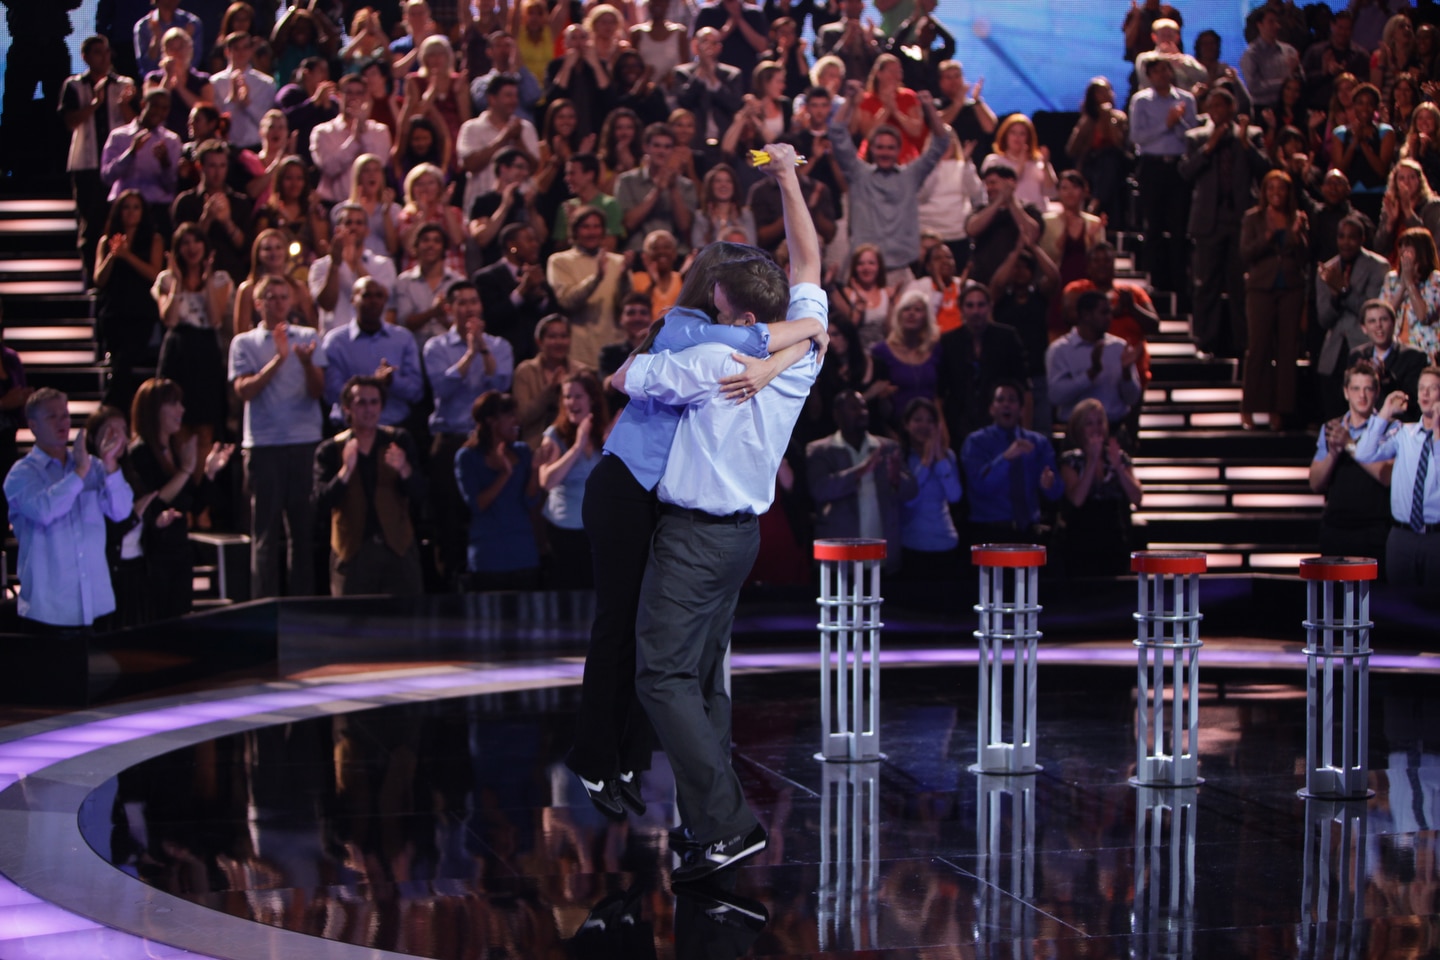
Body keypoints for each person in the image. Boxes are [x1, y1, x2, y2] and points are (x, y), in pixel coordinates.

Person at [565, 183, 826, 827]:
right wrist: (792, 345)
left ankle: (641, 768)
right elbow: (618, 379)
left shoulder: (735, 346)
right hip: (626, 490)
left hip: (666, 505)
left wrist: (776, 355)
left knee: (663, 652)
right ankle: (599, 757)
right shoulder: (693, 334)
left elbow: (810, 284)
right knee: (625, 630)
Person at [228, 274, 327, 598]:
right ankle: (264, 604)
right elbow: (244, 390)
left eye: (284, 296)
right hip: (264, 444)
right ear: (259, 304)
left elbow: (318, 391)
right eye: (271, 297)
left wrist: (306, 362)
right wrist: (278, 360)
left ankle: (302, 607)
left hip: (303, 441)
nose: (279, 302)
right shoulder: (243, 342)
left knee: (301, 531)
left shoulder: (308, 337)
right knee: (265, 534)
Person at [5, 388, 133, 632]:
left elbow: (121, 512)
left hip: (96, 605)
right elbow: (44, 511)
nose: (62, 422)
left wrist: (110, 465)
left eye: (64, 415)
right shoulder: (22, 474)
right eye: (51, 417)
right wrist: (79, 475)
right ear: (32, 425)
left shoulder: (93, 466)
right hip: (49, 611)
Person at [423, 280, 514, 588]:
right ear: (449, 310)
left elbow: (500, 386)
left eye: (474, 301)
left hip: (489, 444)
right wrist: (469, 354)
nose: (469, 308)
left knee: (488, 512)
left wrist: (483, 349)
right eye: (461, 303)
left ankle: (487, 577)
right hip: (450, 440)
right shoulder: (435, 347)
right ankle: (450, 581)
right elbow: (442, 388)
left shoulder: (500, 345)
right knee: (448, 518)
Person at [125, 377, 234, 620]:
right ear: (154, 410)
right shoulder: (139, 452)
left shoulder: (175, 449)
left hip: (179, 550)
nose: (181, 410)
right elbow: (153, 501)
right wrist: (186, 470)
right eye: (173, 404)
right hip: (154, 555)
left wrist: (208, 472)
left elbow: (192, 504)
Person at [313, 375, 425, 596]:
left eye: (374, 402)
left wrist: (404, 469)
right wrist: (345, 472)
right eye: (361, 402)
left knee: (405, 620)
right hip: (352, 551)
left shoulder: (398, 441)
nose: (369, 409)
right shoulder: (330, 450)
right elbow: (320, 502)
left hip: (397, 548)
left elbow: (420, 493)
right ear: (347, 408)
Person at [830, 83, 949, 288]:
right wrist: (850, 102)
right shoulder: (858, 173)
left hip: (901, 271)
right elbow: (837, 132)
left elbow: (940, 142)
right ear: (872, 149)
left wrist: (929, 108)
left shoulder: (911, 175)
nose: (885, 152)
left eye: (890, 148)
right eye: (880, 147)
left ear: (898, 150)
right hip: (863, 271)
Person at [1180, 87, 1269, 357]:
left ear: (1232, 109)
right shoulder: (1196, 137)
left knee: (1240, 285)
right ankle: (1204, 340)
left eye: (1221, 106)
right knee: (1206, 283)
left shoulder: (1251, 135)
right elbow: (1186, 172)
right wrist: (1209, 147)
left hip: (1241, 220)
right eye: (1212, 106)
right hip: (1209, 221)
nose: (1216, 111)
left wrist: (1245, 144)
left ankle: (1243, 343)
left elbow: (1266, 171)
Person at [807, 389, 915, 573]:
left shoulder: (887, 447)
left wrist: (896, 478)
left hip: (882, 552)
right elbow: (820, 490)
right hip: (841, 557)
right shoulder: (820, 450)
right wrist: (862, 469)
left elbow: (911, 491)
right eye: (853, 408)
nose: (862, 412)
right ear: (837, 415)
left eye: (864, 407)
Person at [152, 222, 232, 470]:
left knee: (205, 426)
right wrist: (177, 281)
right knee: (177, 426)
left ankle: (202, 492)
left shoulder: (220, 279)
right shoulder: (165, 280)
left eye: (196, 241)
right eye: (184, 243)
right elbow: (171, 319)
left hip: (206, 351)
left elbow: (215, 318)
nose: (191, 247)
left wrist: (206, 280)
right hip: (178, 351)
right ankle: (181, 484)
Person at [1355, 368, 1440, 589]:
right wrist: (1384, 414)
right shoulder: (1404, 433)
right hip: (1401, 538)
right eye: (1422, 388)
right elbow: (1364, 453)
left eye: (1433, 388)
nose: (1426, 394)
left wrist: (1438, 436)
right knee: (1400, 609)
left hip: (1436, 539)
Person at [63, 36, 138, 287]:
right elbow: (71, 122)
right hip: (86, 163)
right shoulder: (74, 85)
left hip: (118, 165)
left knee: (120, 221)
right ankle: (92, 280)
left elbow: (134, 123)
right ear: (85, 56)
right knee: (90, 224)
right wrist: (95, 104)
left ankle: (120, 278)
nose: (104, 58)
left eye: (107, 53)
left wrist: (124, 105)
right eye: (98, 53)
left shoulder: (124, 84)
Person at [1240, 169, 1310, 431]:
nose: (1276, 194)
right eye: (1271, 189)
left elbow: (1304, 258)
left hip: (1291, 289)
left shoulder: (1297, 217)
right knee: (1259, 348)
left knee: (1287, 351)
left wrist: (1296, 234)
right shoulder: (1253, 218)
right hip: (1261, 288)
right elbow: (1245, 254)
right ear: (1264, 192)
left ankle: (1279, 410)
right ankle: (1249, 407)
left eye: (1281, 189)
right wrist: (1268, 238)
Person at [1311, 362, 1394, 578]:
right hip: (1336, 530)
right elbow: (1315, 483)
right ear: (1346, 392)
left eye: (1368, 389)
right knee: (1333, 604)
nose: (1362, 396)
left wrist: (1350, 445)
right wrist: (1334, 453)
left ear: (1377, 393)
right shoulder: (1332, 428)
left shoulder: (1391, 428)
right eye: (1356, 389)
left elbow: (1388, 477)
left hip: (1374, 530)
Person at [454, 391, 541, 589]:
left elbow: (531, 500)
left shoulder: (522, 452)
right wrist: (505, 474)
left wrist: (535, 470)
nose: (517, 421)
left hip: (524, 553)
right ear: (491, 420)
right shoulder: (467, 457)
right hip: (488, 556)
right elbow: (478, 505)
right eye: (510, 416)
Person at [1129, 58, 1198, 303]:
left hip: (1178, 166)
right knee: (1154, 226)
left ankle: (1180, 284)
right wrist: (1165, 124)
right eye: (1156, 71)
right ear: (1149, 75)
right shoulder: (1141, 101)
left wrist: (1177, 123)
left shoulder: (1186, 100)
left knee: (1179, 228)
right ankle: (1156, 283)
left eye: (1165, 69)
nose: (1161, 74)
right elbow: (1137, 137)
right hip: (1152, 166)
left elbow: (1192, 134)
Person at [961, 380, 1063, 545]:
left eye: (1012, 400)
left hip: (1030, 532)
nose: (1006, 404)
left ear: (1022, 410)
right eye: (1000, 400)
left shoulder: (1038, 443)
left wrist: (1049, 484)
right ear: (992, 409)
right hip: (989, 533)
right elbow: (979, 487)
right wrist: (1006, 458)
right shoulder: (976, 442)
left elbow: (1056, 492)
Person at [534, 371, 608, 588]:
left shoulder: (603, 433)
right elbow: (546, 481)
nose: (571, 402)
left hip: (596, 530)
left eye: (578, 396)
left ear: (592, 399)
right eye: (567, 397)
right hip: (563, 529)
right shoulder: (554, 435)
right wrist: (577, 445)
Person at [321, 278, 423, 429]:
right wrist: (372, 384)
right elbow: (331, 393)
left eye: (379, 296)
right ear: (352, 300)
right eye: (366, 295)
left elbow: (417, 392)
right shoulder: (336, 342)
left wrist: (392, 382)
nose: (373, 301)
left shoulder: (403, 338)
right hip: (348, 429)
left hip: (395, 427)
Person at [96, 191, 165, 413]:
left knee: (123, 364)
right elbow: (99, 278)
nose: (131, 212)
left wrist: (128, 256)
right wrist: (113, 256)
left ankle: (111, 410)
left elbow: (154, 274)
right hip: (113, 312)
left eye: (136, 207)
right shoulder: (107, 241)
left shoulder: (153, 239)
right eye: (126, 207)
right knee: (119, 364)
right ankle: (118, 413)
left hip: (140, 312)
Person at [1056, 397, 1142, 577]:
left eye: (1099, 422)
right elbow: (1077, 499)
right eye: (1089, 423)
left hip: (1113, 536)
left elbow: (1137, 497)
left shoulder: (1119, 457)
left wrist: (1119, 467)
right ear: (1079, 428)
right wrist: (1092, 460)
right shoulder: (1070, 460)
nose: (1096, 428)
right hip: (1081, 537)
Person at [936, 282, 1029, 447]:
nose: (976, 311)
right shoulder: (948, 341)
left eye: (981, 305)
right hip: (958, 424)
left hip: (1000, 422)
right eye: (970, 305)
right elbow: (939, 393)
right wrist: (942, 431)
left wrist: (1025, 432)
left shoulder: (1007, 337)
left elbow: (1024, 388)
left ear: (990, 306)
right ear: (961, 308)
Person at [1317, 217, 1391, 418]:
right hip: (1334, 354)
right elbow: (1324, 319)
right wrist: (1334, 298)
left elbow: (1372, 312)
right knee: (1334, 415)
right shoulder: (1327, 270)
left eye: (1351, 237)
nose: (1345, 242)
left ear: (1362, 239)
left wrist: (1344, 290)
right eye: (1341, 237)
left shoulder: (1378, 267)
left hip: (1363, 346)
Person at [1046, 291, 1143, 430]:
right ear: (1086, 315)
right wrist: (1091, 373)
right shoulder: (1060, 350)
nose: (1110, 317)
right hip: (1076, 431)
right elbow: (1055, 396)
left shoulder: (1119, 347)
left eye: (1110, 312)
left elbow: (1132, 399)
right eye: (1104, 312)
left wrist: (1126, 373)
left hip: (1114, 429)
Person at [547, 207, 627, 368]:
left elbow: (625, 306)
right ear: (575, 231)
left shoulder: (619, 262)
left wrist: (625, 277)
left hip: (614, 351)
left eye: (597, 227)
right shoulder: (560, 261)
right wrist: (597, 278)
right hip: (579, 353)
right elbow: (567, 301)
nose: (592, 232)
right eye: (586, 227)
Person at [100, 89, 184, 236]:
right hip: (123, 207)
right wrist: (130, 153)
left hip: (157, 208)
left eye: (164, 108)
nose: (159, 112)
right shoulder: (119, 136)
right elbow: (107, 177)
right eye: (155, 106)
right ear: (143, 104)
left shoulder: (172, 141)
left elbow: (171, 186)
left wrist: (165, 163)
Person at [170, 139, 253, 284]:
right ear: (200, 166)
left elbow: (246, 248)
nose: (217, 172)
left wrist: (227, 222)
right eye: (212, 166)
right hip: (194, 280)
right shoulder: (186, 202)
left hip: (232, 278)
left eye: (222, 166)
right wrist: (206, 219)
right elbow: (180, 247)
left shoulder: (240, 202)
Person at [896, 396, 961, 578]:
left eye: (930, 421)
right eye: (917, 420)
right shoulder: (900, 457)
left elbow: (955, 496)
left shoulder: (948, 456)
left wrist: (939, 458)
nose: (924, 426)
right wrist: (925, 461)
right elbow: (909, 500)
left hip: (946, 541)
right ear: (907, 424)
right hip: (913, 544)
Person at [311, 203, 398, 334]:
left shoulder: (383, 264)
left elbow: (382, 299)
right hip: (335, 340)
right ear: (337, 230)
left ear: (367, 230)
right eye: (348, 222)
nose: (353, 227)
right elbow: (327, 304)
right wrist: (335, 264)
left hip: (372, 338)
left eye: (359, 223)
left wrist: (356, 262)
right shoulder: (321, 266)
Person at [474, 222, 553, 363]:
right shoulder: (487, 277)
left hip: (538, 356)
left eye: (535, 240)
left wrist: (539, 294)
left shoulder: (538, 274)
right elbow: (491, 318)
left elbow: (550, 313)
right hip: (503, 356)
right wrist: (522, 291)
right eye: (529, 240)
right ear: (512, 246)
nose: (536, 245)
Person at [311, 73, 393, 206]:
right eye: (348, 92)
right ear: (338, 96)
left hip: (371, 205)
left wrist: (362, 132)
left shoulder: (380, 131)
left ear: (367, 97)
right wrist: (355, 139)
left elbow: (379, 165)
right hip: (333, 204)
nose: (354, 98)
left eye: (359, 93)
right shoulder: (323, 132)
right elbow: (330, 167)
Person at [512, 315, 592, 448]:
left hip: (575, 445)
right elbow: (521, 417)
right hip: (535, 448)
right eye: (552, 337)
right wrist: (549, 390)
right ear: (539, 342)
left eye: (564, 336)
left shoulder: (582, 371)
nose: (559, 342)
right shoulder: (525, 371)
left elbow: (592, 412)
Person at [870, 288, 940, 430]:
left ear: (926, 317)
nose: (911, 313)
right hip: (895, 428)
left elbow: (939, 396)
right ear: (899, 314)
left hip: (929, 427)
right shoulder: (880, 351)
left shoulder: (935, 349)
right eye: (906, 309)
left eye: (918, 309)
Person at [1349, 299, 1428, 423]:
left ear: (1393, 323)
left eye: (1384, 319)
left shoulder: (1413, 357)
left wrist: (1386, 379)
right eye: (1372, 321)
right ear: (1364, 328)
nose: (1378, 325)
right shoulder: (1357, 356)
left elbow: (1413, 401)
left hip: (1398, 426)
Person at [393, 223, 465, 350]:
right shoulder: (404, 282)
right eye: (425, 240)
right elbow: (404, 323)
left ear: (444, 248)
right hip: (414, 349)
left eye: (437, 241)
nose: (431, 245)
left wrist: (444, 320)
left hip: (450, 351)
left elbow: (464, 326)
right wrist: (434, 312)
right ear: (416, 246)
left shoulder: (457, 282)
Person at [1380, 227, 1440, 363]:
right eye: (1401, 246)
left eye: (1408, 246)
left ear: (1422, 250)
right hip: (1397, 351)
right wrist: (1402, 286)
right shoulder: (1391, 279)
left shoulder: (1435, 280)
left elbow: (1423, 316)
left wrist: (1410, 283)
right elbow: (1384, 315)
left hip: (1426, 354)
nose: (1403, 251)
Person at [211, 30, 274, 151]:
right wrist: (232, 98)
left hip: (256, 146)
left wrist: (248, 103)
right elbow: (215, 122)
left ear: (251, 51)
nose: (241, 52)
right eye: (236, 48)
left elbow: (266, 122)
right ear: (227, 52)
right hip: (226, 148)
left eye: (245, 48)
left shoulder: (266, 83)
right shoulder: (215, 83)